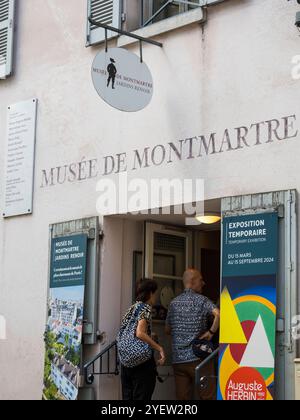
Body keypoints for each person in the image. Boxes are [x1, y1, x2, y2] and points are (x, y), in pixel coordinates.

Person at [166, 269, 220, 400]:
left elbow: (167, 330)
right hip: (199, 358)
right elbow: (218, 314)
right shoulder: (202, 301)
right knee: (208, 396)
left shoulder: (173, 303)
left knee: (182, 398)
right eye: (201, 280)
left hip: (179, 361)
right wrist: (211, 332)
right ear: (192, 281)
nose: (204, 283)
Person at [120, 279, 166, 400]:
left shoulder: (131, 308)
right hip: (142, 363)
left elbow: (130, 331)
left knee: (128, 396)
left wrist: (150, 335)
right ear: (150, 293)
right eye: (155, 293)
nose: (155, 297)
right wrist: (159, 348)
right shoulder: (146, 307)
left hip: (126, 360)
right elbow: (140, 333)